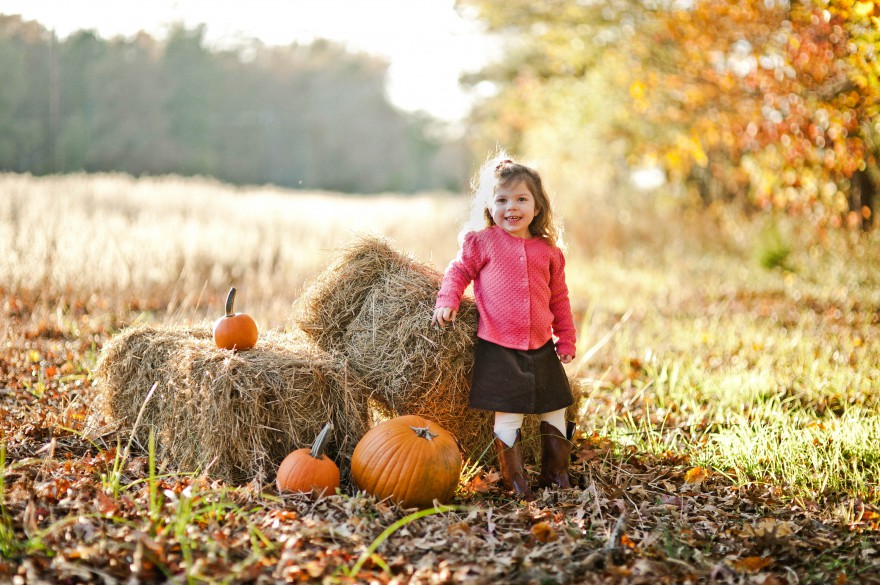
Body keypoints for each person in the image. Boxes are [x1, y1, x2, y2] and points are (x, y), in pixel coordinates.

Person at [432, 153, 577, 501]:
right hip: (499, 344)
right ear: (489, 206)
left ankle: (556, 473)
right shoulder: (481, 243)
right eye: (502, 200)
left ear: (537, 206)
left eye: (521, 199)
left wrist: (566, 337)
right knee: (508, 412)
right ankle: (516, 480)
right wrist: (448, 299)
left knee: (556, 405)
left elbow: (559, 298)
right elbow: (458, 270)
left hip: (541, 345)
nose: (511, 207)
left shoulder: (548, 252)